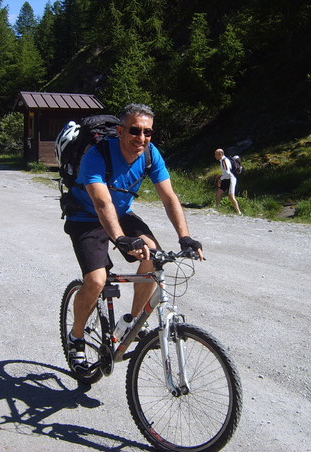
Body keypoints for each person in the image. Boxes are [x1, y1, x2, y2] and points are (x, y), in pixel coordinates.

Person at [63, 103, 204, 375]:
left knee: (154, 257)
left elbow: (169, 197)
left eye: (147, 132)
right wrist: (121, 239)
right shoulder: (98, 154)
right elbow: (102, 204)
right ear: (120, 131)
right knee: (96, 280)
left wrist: (184, 236)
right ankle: (76, 337)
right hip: (85, 216)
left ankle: (132, 323)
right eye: (135, 131)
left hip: (122, 214)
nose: (141, 138)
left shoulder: (150, 154)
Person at [214, 148, 242, 215]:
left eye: (216, 154)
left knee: (231, 196)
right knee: (218, 193)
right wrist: (221, 177)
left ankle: (239, 212)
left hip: (231, 179)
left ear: (220, 154)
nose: (215, 155)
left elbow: (227, 172)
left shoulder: (225, 161)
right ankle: (217, 209)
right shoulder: (222, 160)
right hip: (226, 179)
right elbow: (225, 173)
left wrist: (220, 179)